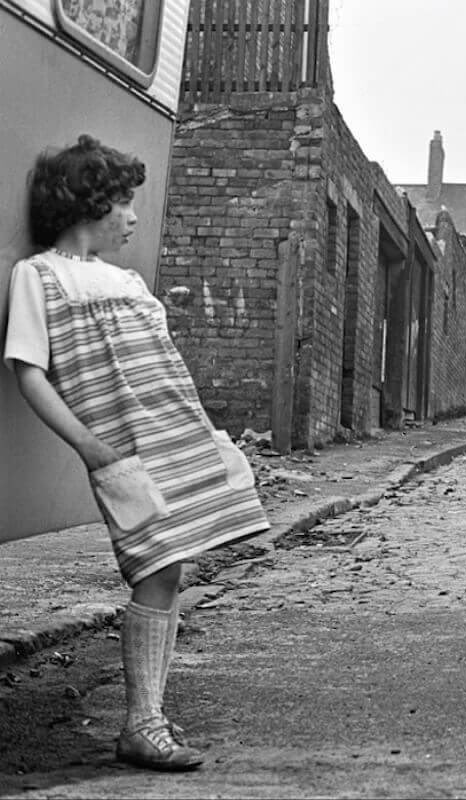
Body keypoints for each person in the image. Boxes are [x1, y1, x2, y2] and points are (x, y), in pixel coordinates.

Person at [4, 136, 270, 770]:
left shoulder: (128, 280)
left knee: (172, 569)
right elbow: (29, 371)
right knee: (153, 565)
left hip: (173, 437)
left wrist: (205, 434)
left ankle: (148, 713)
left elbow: (164, 369)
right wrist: (92, 449)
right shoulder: (38, 276)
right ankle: (141, 722)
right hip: (119, 448)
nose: (131, 218)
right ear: (88, 205)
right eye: (123, 204)